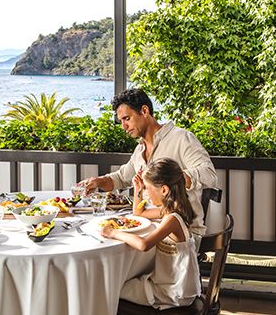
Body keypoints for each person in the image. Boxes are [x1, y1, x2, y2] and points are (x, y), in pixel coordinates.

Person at [80, 88, 217, 235]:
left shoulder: (181, 138)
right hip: (146, 226)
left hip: (182, 233)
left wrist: (168, 179)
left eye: (127, 119)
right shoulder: (140, 149)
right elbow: (121, 178)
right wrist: (98, 181)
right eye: (121, 121)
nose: (123, 127)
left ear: (144, 111)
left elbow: (209, 175)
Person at [101, 158, 201, 309]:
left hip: (173, 292)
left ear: (164, 190)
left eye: (147, 188)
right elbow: (139, 213)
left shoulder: (172, 218)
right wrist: (138, 188)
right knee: (121, 282)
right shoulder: (172, 208)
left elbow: (143, 244)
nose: (146, 194)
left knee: (112, 288)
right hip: (171, 284)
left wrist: (113, 232)